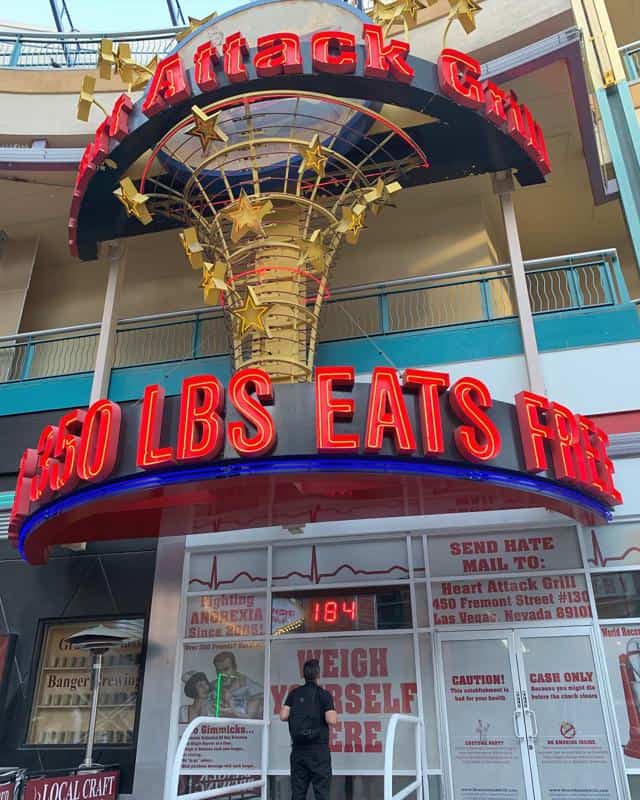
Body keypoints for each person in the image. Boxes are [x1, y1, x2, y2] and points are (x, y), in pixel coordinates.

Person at [279, 658, 338, 800]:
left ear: (304, 675)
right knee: (321, 793)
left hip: (298, 751)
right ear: (318, 675)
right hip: (319, 752)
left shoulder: (294, 693)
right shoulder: (324, 695)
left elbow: (283, 716)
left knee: (298, 793)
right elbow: (332, 720)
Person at [211, 650, 263, 718]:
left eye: (226, 669)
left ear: (235, 667)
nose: (222, 674)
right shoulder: (211, 687)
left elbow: (251, 718)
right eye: (218, 671)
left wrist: (232, 713)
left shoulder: (252, 689)